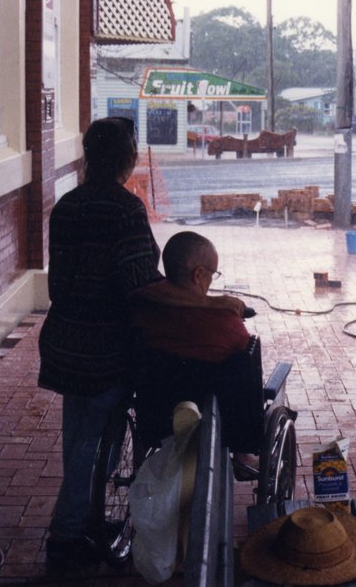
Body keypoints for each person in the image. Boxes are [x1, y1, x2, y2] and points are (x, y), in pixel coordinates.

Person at [38, 118, 244, 570]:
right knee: (93, 445)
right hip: (103, 348)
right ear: (129, 159)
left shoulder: (67, 206)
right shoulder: (123, 209)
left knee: (79, 438)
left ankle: (81, 521)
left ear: (88, 157)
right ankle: (67, 538)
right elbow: (142, 287)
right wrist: (213, 305)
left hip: (64, 339)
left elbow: (60, 283)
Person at [130, 231, 264, 461]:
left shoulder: (143, 308)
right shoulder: (224, 324)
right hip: (218, 426)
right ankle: (241, 456)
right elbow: (242, 359)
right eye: (213, 273)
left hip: (156, 418)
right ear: (199, 274)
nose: (212, 279)